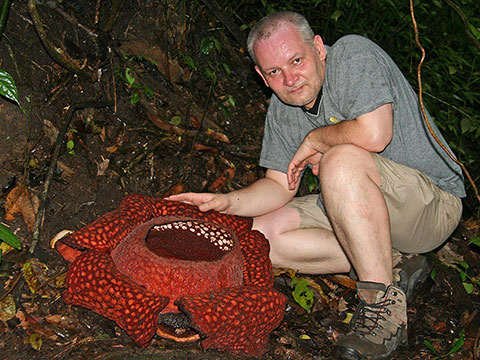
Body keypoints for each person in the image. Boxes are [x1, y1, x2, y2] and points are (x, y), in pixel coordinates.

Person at [168, 11, 465, 359]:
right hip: (363, 204)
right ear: (262, 77)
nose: (290, 78)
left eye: (296, 60)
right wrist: (227, 202)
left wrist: (316, 138)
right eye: (275, 71)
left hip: (431, 204)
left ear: (319, 48)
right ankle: (397, 262)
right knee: (260, 236)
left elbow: (375, 133)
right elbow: (279, 185)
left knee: (340, 160)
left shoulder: (353, 56)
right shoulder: (283, 109)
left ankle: (384, 310)